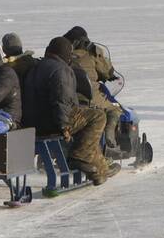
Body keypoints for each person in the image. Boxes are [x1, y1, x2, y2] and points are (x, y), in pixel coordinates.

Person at [21, 37, 119, 185]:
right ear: (66, 54)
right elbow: (62, 101)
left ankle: (100, 170)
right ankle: (80, 157)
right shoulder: (61, 70)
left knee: (86, 128)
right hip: (52, 123)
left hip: (31, 122)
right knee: (97, 116)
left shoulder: (36, 67)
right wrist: (64, 127)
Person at [64, 26, 122, 149]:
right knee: (114, 109)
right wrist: (98, 53)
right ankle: (109, 135)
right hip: (90, 98)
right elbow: (107, 72)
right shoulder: (91, 54)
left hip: (69, 100)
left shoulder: (63, 55)